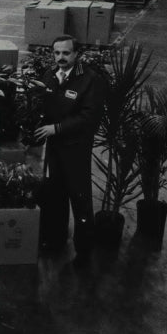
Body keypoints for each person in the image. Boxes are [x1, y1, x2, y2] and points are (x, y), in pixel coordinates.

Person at [33, 34, 106, 267]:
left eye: (66, 53)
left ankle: (84, 250)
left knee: (80, 197)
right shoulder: (49, 76)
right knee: (54, 194)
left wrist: (57, 128)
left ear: (76, 54)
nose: (60, 57)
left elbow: (89, 117)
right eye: (57, 53)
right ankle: (54, 240)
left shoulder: (90, 80)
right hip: (54, 149)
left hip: (75, 150)